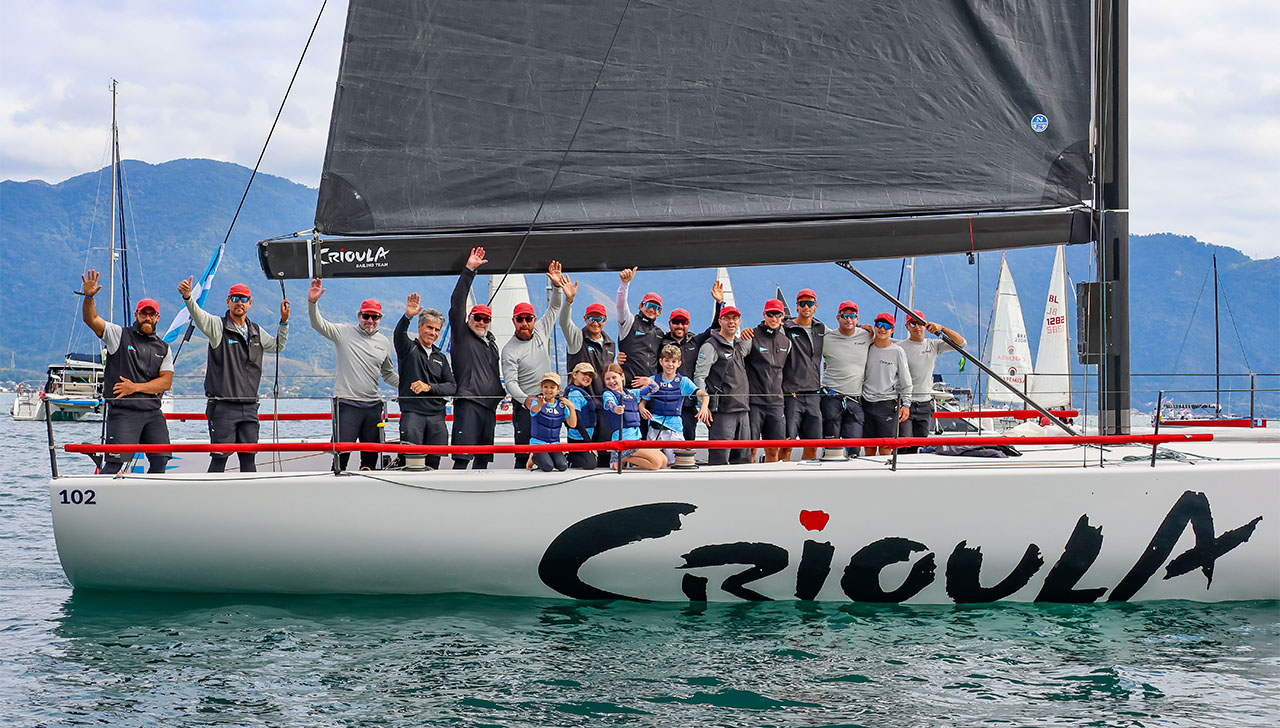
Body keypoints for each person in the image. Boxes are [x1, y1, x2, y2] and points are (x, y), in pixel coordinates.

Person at [178, 278, 290, 472]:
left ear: (250, 303)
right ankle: (213, 501)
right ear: (228, 301)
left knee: (248, 459)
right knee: (219, 459)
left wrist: (284, 322)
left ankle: (250, 500)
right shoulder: (217, 326)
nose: (240, 302)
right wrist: (188, 297)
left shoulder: (256, 331)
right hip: (222, 406)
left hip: (249, 406)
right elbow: (199, 316)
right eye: (235, 298)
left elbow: (277, 346)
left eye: (244, 299)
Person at [81, 270, 173, 474]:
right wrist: (89, 297)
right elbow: (92, 319)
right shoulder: (118, 335)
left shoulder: (164, 347)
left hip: (152, 412)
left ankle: (148, 500)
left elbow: (165, 383)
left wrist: (135, 388)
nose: (147, 317)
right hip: (123, 412)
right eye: (143, 313)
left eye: (151, 314)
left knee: (160, 461)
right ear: (136, 315)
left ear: (157, 317)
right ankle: (99, 500)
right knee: (114, 463)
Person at [308, 279, 399, 470]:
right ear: (359, 315)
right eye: (366, 316)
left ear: (380, 318)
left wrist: (410, 385)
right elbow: (318, 324)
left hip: (373, 406)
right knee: (341, 455)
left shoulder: (384, 342)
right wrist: (313, 303)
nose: (370, 321)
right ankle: (336, 490)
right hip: (347, 403)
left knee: (371, 456)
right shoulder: (343, 332)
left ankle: (367, 493)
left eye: (375, 317)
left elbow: (389, 375)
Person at [500, 262, 566, 468]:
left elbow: (555, 307)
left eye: (528, 319)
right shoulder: (508, 350)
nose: (525, 323)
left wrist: (557, 287)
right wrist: (526, 401)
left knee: (551, 452)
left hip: (549, 403)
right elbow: (510, 383)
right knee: (523, 451)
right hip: (525, 406)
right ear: (514, 321)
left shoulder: (541, 330)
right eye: (520, 319)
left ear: (534, 319)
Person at [449, 247, 504, 470]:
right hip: (468, 404)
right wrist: (469, 271)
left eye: (486, 319)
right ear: (470, 317)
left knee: (483, 460)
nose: (481, 322)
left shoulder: (491, 342)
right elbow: (456, 304)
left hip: (489, 406)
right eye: (478, 318)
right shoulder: (461, 335)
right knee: (462, 458)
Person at [656, 279, 726, 439]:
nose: (680, 326)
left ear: (688, 324)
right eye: (676, 322)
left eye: (684, 322)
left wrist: (719, 303)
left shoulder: (695, 341)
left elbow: (715, 328)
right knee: (662, 443)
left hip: (688, 404)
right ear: (670, 323)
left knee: (687, 443)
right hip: (665, 403)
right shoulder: (661, 342)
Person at [559, 276, 616, 468]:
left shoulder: (610, 344)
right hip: (581, 407)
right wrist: (569, 301)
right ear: (585, 319)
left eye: (599, 319)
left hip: (604, 406)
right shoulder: (577, 339)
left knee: (605, 454)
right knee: (581, 457)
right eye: (591, 318)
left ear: (605, 320)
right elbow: (564, 323)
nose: (595, 322)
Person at [394, 293, 456, 470]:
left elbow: (451, 386)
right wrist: (408, 316)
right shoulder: (408, 349)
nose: (433, 333)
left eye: (437, 330)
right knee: (411, 463)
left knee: (434, 463)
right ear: (420, 327)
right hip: (413, 415)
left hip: (437, 417)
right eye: (429, 328)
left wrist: (428, 387)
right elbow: (399, 334)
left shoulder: (441, 358)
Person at [897, 310, 967, 451]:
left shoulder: (933, 345)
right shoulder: (899, 347)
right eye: (913, 323)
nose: (917, 327)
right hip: (905, 404)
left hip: (924, 403)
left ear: (925, 325)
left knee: (920, 446)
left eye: (920, 323)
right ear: (907, 326)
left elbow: (961, 343)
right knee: (903, 445)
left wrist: (941, 328)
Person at [693, 305, 754, 466]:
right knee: (720, 459)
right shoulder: (710, 346)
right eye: (727, 318)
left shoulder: (741, 345)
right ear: (720, 320)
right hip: (722, 412)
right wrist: (703, 407)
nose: (731, 322)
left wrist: (749, 332)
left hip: (743, 410)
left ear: (739, 321)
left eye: (734, 318)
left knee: (743, 460)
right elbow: (699, 377)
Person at [640, 343, 711, 465]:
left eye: (673, 361)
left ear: (679, 363)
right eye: (667, 361)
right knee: (653, 463)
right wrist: (641, 408)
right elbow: (642, 401)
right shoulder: (652, 379)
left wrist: (704, 408)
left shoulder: (683, 382)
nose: (670, 364)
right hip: (654, 427)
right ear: (661, 361)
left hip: (674, 429)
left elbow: (704, 395)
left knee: (677, 464)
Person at [615, 267, 665, 435]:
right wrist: (625, 284)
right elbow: (621, 306)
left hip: (650, 390)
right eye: (649, 305)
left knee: (649, 436)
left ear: (660, 312)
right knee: (630, 433)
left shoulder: (660, 333)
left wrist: (651, 381)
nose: (652, 309)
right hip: (629, 388)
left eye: (656, 307)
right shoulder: (629, 322)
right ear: (641, 306)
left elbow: (664, 361)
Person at [820, 301, 873, 454]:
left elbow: (886, 344)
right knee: (831, 448)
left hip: (855, 399)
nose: (849, 319)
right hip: (831, 398)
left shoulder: (866, 335)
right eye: (845, 316)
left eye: (852, 316)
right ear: (838, 317)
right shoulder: (827, 338)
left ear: (857, 319)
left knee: (854, 448)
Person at [781, 288, 827, 459]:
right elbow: (768, 329)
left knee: (813, 445)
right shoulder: (786, 327)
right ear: (797, 306)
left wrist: (862, 328)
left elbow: (842, 335)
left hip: (814, 394)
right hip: (791, 395)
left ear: (815, 306)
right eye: (802, 304)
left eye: (810, 303)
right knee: (787, 444)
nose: (806, 307)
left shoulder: (820, 328)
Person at [744, 298, 791, 463]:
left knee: (773, 449)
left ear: (783, 316)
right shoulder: (751, 335)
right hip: (755, 402)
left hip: (776, 403)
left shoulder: (786, 342)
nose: (774, 318)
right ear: (764, 314)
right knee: (751, 448)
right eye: (770, 314)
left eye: (777, 315)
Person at [862, 313, 912, 456]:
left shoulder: (898, 351)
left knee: (886, 447)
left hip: (887, 405)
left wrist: (906, 404)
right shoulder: (868, 347)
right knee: (868, 447)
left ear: (892, 330)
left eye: (887, 326)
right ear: (875, 326)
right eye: (879, 325)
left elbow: (906, 381)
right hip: (866, 403)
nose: (882, 329)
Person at [601, 363, 665, 471]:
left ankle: (621, 458)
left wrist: (649, 381)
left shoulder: (631, 393)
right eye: (608, 379)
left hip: (636, 439)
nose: (611, 381)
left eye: (614, 377)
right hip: (623, 441)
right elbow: (609, 403)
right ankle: (620, 457)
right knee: (656, 464)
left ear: (622, 376)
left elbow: (655, 389)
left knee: (664, 461)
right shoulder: (608, 394)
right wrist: (616, 409)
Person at [525, 371, 578, 472]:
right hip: (538, 443)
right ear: (541, 388)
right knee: (547, 467)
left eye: (552, 387)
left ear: (558, 389)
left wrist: (571, 407)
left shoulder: (562, 405)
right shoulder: (537, 401)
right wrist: (540, 405)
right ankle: (533, 457)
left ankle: (549, 456)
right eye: (545, 387)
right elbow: (534, 410)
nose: (548, 390)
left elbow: (572, 424)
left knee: (562, 466)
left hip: (554, 443)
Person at [563, 362, 599, 470]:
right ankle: (568, 457)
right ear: (575, 375)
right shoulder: (575, 393)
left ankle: (572, 457)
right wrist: (589, 443)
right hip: (578, 437)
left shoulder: (581, 392)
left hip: (585, 435)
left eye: (590, 376)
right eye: (584, 374)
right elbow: (577, 419)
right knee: (590, 464)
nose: (587, 377)